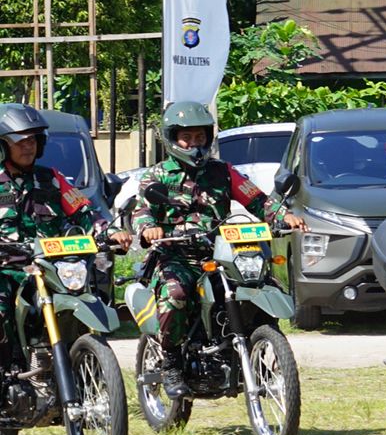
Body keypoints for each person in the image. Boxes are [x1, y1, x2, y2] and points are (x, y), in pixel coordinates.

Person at [132, 102, 306, 398]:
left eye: (200, 137)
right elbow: (142, 211)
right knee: (175, 295)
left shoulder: (222, 171)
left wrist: (282, 216)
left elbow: (257, 200)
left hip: (221, 254)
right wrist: (149, 228)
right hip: (176, 256)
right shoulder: (158, 175)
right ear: (173, 139)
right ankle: (172, 363)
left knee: (261, 285)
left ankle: (259, 353)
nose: (194, 144)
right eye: (187, 138)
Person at [0, 104, 131, 365]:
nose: (29, 146)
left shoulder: (52, 179)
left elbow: (87, 212)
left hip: (51, 268)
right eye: (20, 140)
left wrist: (111, 232)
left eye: (33, 139)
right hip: (7, 269)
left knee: (80, 303)